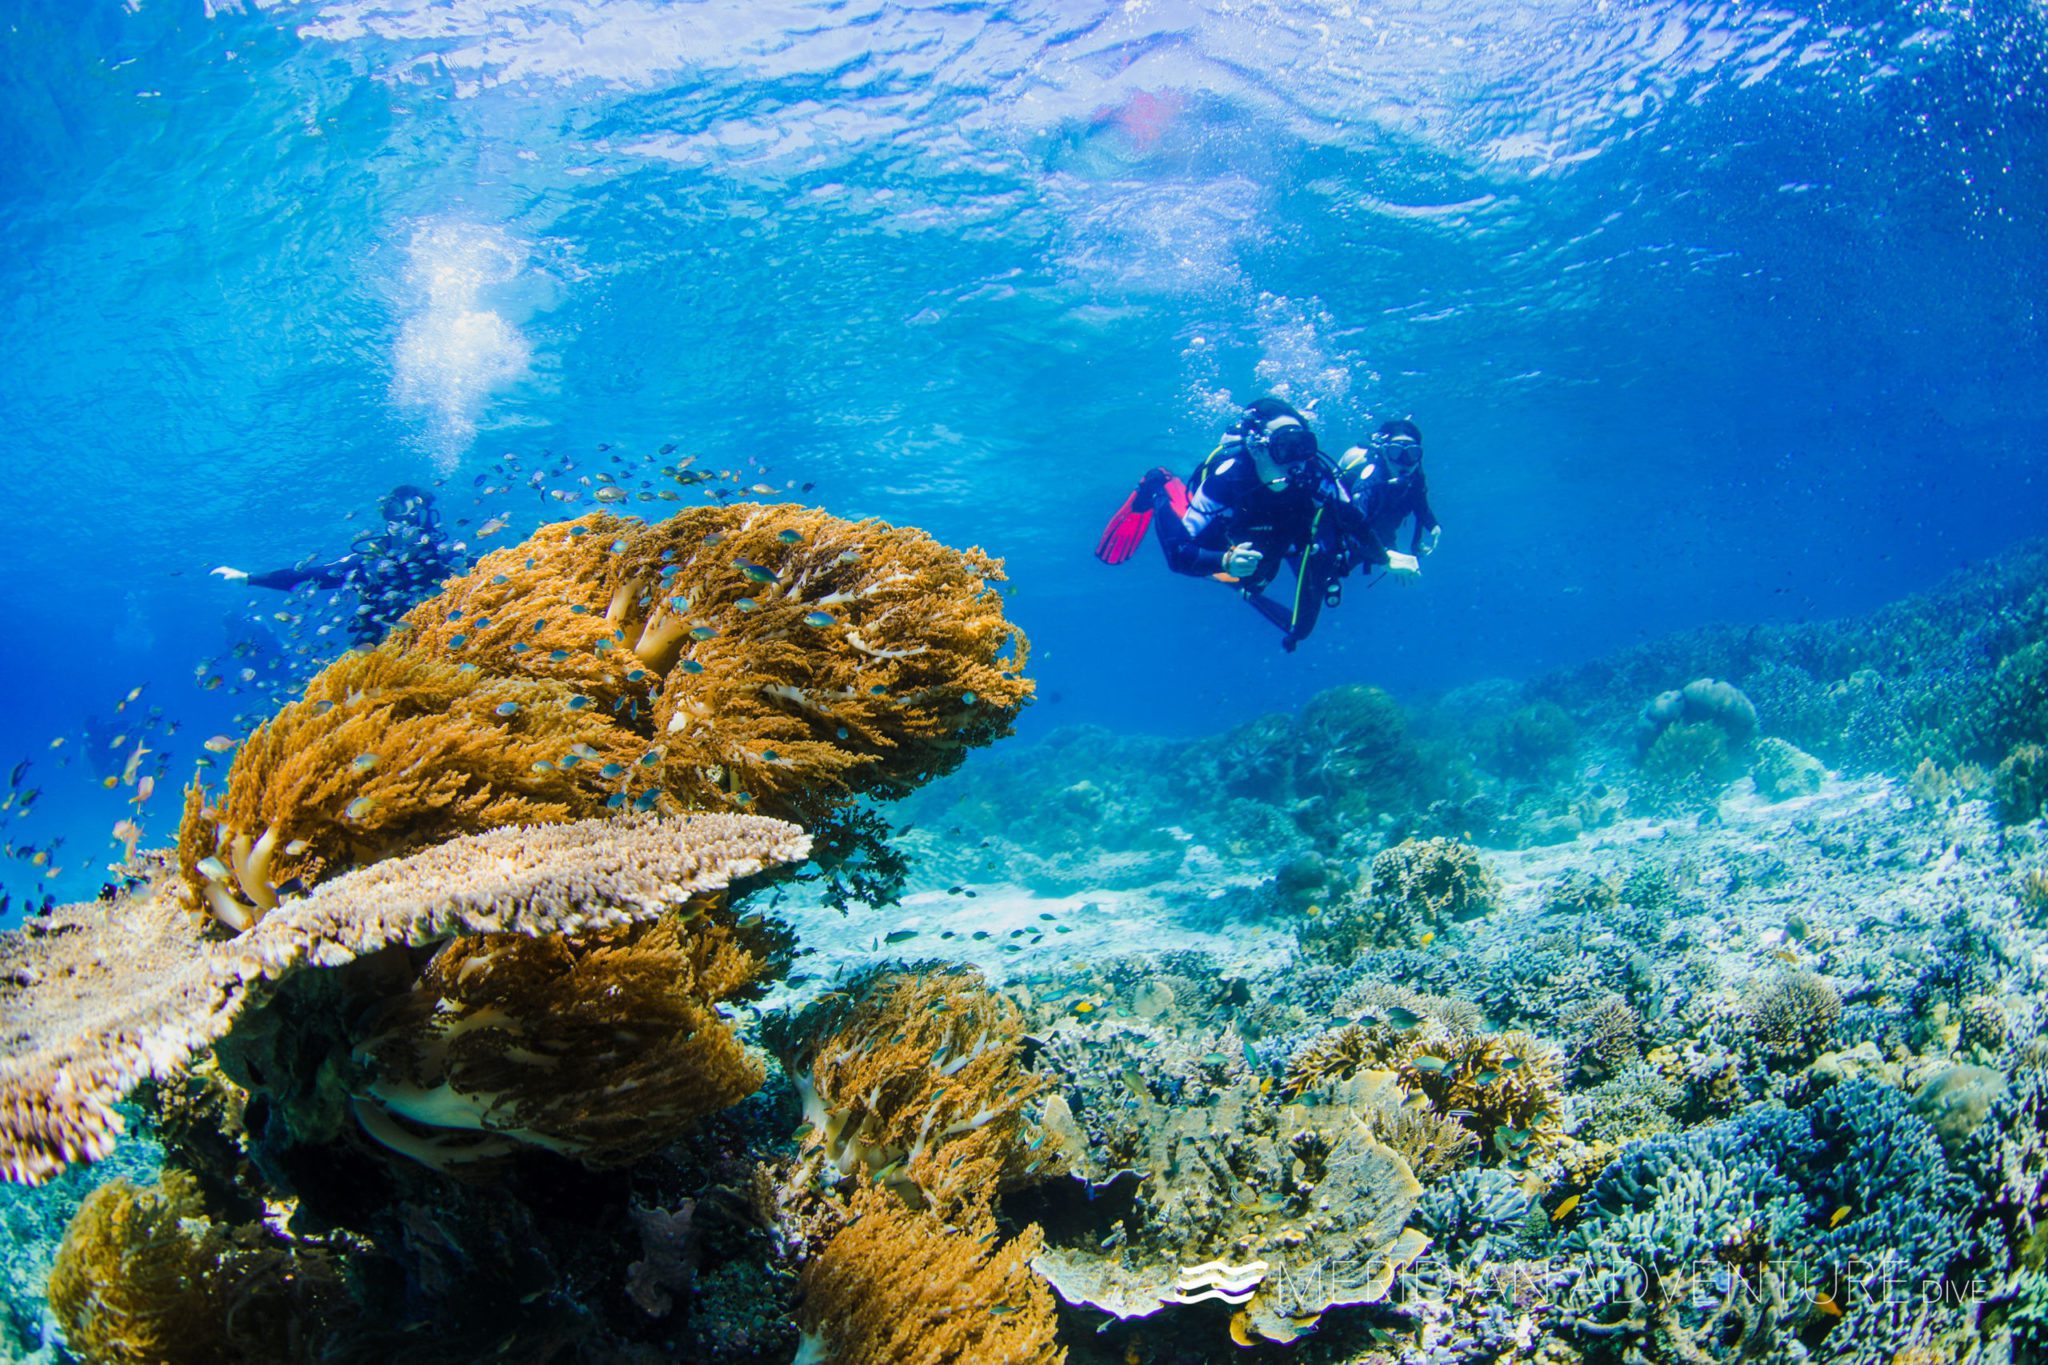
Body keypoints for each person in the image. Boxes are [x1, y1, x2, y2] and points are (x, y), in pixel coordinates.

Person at [1097, 399, 1420, 650]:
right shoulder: (1228, 479)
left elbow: (1355, 521)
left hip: (1270, 543)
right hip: (1222, 537)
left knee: (1276, 599)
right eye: (1285, 447)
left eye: (1303, 447)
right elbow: (1179, 553)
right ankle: (1160, 485)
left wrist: (1384, 557)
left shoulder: (1315, 474)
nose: (1297, 460)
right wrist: (1223, 560)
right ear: (1258, 446)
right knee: (1228, 573)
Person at [213, 485, 470, 646]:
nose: (404, 519)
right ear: (387, 520)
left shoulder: (452, 559)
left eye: (413, 510)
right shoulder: (368, 562)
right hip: (380, 651)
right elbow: (313, 575)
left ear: (426, 519)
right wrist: (250, 578)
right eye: (395, 511)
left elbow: (500, 573)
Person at [1335, 418, 1442, 560]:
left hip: (1377, 535)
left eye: (1412, 453)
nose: (1404, 462)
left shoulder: (1415, 475)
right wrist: (1386, 557)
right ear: (1384, 452)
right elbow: (1354, 523)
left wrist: (1433, 526)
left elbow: (1420, 503)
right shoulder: (1369, 475)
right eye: (1395, 451)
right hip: (1348, 531)